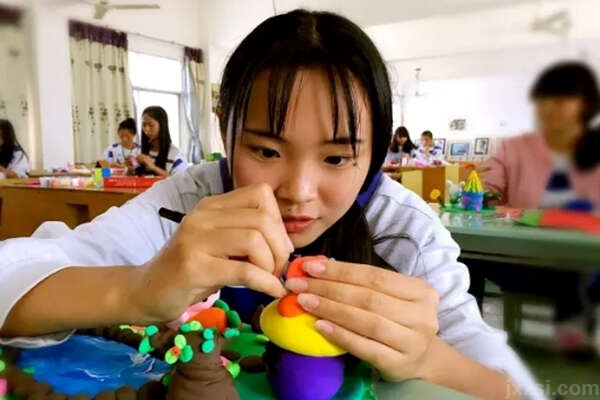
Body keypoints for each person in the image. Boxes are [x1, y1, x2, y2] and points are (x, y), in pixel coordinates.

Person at [0, 10, 542, 400]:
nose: (298, 192)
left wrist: (426, 357)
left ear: (376, 152)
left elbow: (509, 387)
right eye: (265, 150)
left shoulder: (404, 230)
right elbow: (14, 272)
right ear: (224, 130)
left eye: (337, 158)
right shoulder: (189, 199)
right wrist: (138, 290)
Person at [480, 61, 600, 354]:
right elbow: (485, 195)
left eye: (562, 100)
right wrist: (487, 199)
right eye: (543, 99)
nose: (549, 108)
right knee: (460, 256)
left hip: (583, 260)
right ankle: (466, 339)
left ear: (586, 104)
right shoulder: (514, 148)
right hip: (521, 258)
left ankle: (572, 332)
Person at [136, 106, 187, 176]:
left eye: (151, 125)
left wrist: (153, 167)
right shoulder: (139, 151)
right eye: (144, 125)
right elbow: (135, 177)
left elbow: (179, 180)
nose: (146, 129)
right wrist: (129, 169)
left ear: (162, 125)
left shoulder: (176, 154)